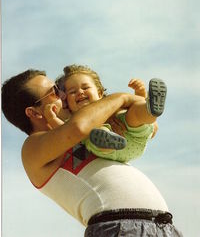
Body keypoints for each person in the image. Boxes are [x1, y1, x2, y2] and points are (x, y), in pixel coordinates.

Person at [1, 69, 182, 236]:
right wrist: (122, 98)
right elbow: (78, 127)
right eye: (55, 91)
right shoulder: (32, 147)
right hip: (118, 227)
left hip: (164, 226)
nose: (64, 94)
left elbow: (146, 128)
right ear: (34, 112)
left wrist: (144, 113)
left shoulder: (91, 126)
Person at [45, 64, 165, 163]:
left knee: (133, 114)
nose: (80, 92)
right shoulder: (75, 120)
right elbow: (64, 131)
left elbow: (135, 105)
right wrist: (52, 118)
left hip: (135, 137)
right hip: (110, 151)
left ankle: (149, 109)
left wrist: (140, 93)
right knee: (95, 132)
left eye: (85, 87)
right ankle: (107, 140)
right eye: (72, 92)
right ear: (67, 103)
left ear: (100, 93)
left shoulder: (113, 104)